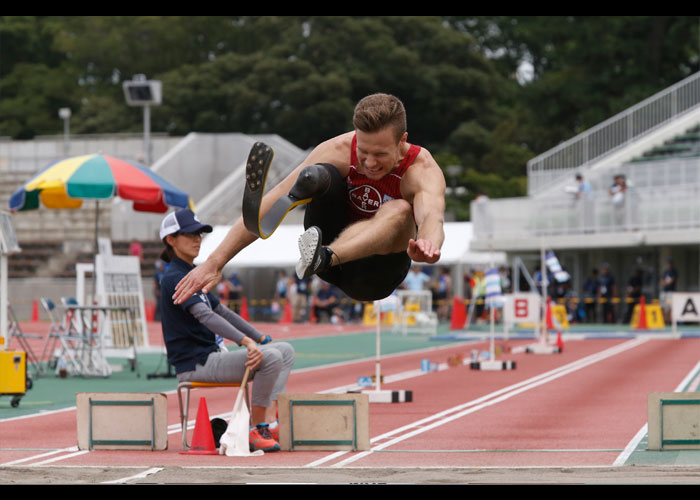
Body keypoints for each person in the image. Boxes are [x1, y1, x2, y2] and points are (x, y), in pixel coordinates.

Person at [172, 93, 446, 306]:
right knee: (318, 174)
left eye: (381, 154)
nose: (370, 163)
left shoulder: (421, 170)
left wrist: (429, 244)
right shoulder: (338, 149)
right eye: (363, 151)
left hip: (373, 276)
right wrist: (214, 262)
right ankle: (306, 196)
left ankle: (325, 257)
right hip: (324, 251)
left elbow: (432, 216)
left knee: (400, 209)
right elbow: (269, 201)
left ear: (402, 141)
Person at [158, 208, 295, 453]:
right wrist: (246, 342)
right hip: (194, 363)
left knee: (284, 350)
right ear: (171, 240)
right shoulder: (173, 278)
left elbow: (221, 311)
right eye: (189, 234)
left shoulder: (192, 274)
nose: (197, 239)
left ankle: (271, 423)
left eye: (199, 234)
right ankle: (256, 428)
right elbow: (205, 315)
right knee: (270, 357)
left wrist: (258, 336)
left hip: (210, 356)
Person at [659, 258, 678, 322]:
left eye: (669, 263)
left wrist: (666, 282)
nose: (668, 265)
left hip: (671, 292)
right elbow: (662, 280)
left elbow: (672, 281)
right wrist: (666, 282)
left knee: (670, 306)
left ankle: (669, 320)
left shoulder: (674, 271)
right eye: (667, 263)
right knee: (663, 306)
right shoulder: (665, 272)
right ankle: (664, 320)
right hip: (665, 291)